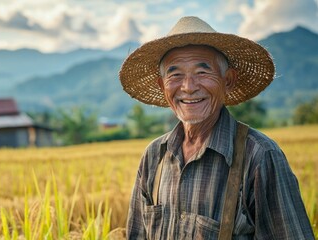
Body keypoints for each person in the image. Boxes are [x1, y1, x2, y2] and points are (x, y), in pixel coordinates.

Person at [119, 16, 314, 239]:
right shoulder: (154, 156)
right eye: (175, 74)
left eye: (202, 72)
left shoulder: (259, 156)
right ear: (163, 86)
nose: (188, 87)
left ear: (228, 80)